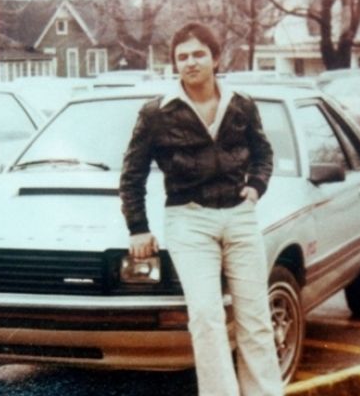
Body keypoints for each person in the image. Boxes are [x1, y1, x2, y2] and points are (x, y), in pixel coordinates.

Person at [119, 22, 283, 396]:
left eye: (198, 54)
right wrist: (138, 227)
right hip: (188, 219)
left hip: (239, 216)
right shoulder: (157, 113)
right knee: (207, 318)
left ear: (215, 58)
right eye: (182, 57)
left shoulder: (241, 104)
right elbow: (132, 174)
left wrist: (256, 187)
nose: (191, 62)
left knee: (255, 317)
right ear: (175, 64)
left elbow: (263, 153)